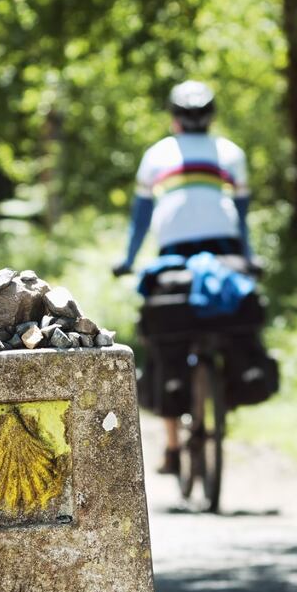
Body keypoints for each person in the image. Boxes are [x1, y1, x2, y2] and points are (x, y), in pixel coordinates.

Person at [112, 80, 255, 474]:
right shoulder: (231, 153)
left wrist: (127, 259)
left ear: (173, 118)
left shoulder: (157, 154)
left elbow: (141, 217)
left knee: (165, 342)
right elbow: (241, 217)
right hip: (225, 252)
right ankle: (226, 389)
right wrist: (251, 257)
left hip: (173, 256)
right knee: (232, 320)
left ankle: (172, 447)